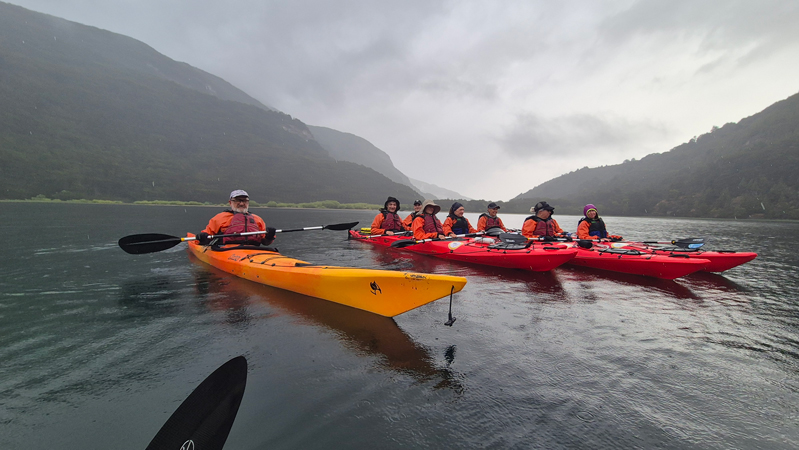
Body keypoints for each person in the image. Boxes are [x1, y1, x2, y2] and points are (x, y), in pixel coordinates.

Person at [197, 189, 276, 246]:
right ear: (230, 202)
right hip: (226, 251)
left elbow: (266, 242)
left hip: (253, 251)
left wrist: (269, 236)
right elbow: (207, 235)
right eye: (238, 200)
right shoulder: (220, 218)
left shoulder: (257, 219)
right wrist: (203, 237)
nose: (241, 203)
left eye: (244, 201)